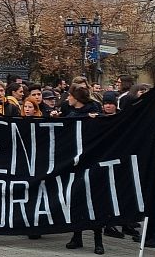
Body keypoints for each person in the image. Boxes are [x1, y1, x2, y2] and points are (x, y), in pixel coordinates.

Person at [64, 86, 103, 254]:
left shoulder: (94, 113)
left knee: (94, 202)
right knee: (76, 200)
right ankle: (76, 236)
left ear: (76, 98)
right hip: (75, 164)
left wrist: (95, 120)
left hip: (91, 163)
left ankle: (98, 240)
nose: (67, 99)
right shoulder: (71, 114)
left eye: (70, 96)